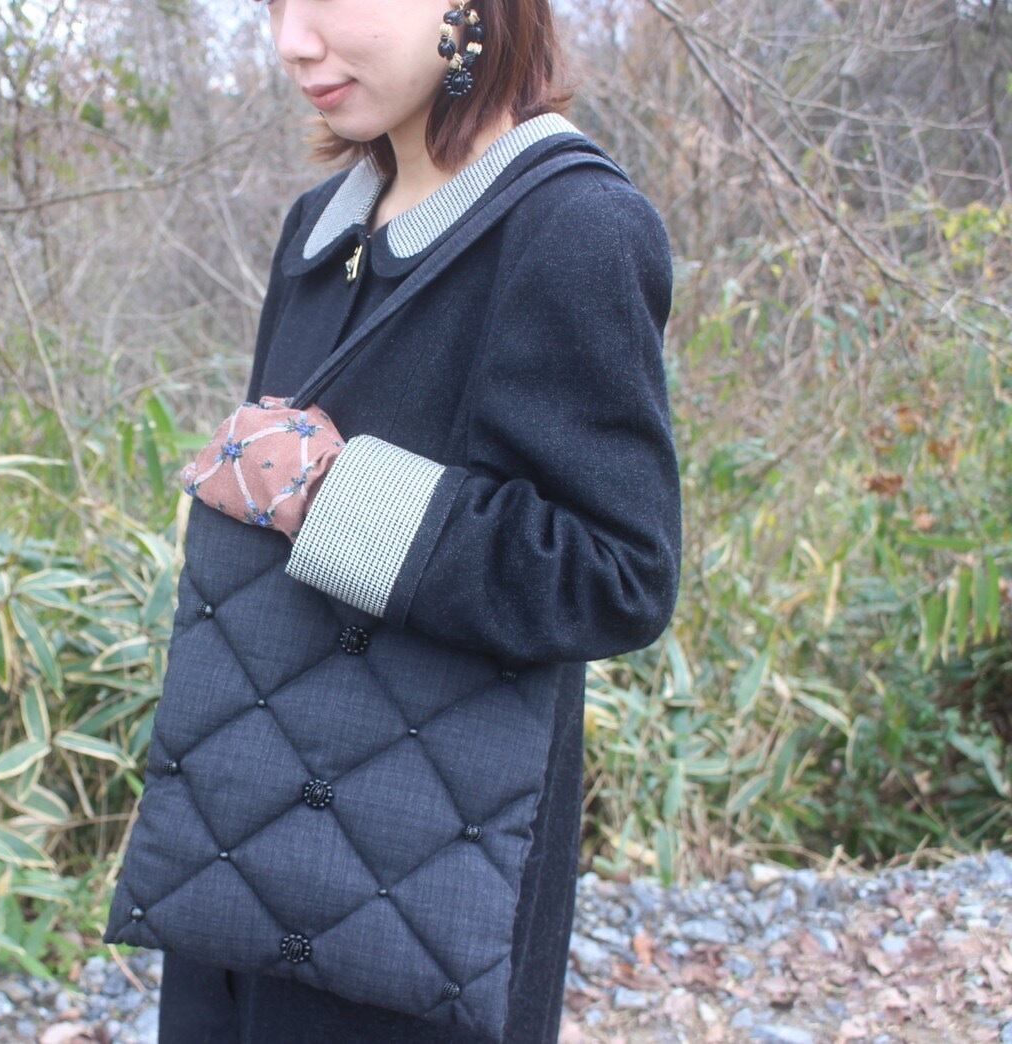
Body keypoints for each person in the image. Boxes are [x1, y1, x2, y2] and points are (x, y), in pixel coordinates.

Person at [105, 1, 682, 1041]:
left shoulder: (574, 226)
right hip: (243, 836)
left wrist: (332, 497)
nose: (291, 39)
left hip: (428, 889)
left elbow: (617, 572)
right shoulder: (320, 229)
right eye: (273, 3)